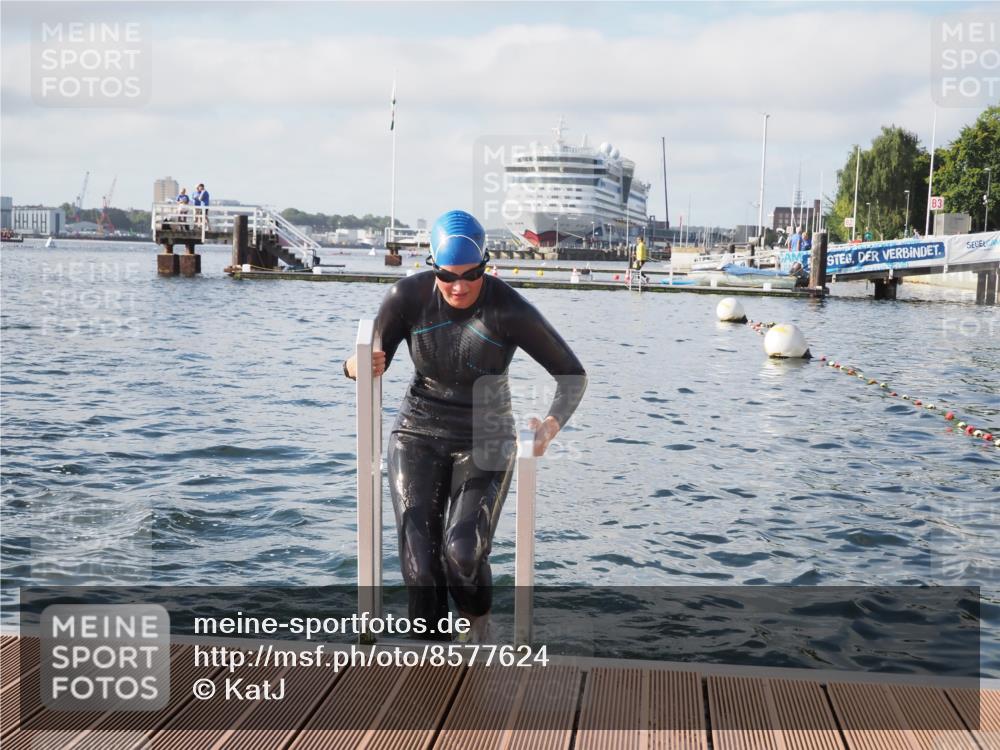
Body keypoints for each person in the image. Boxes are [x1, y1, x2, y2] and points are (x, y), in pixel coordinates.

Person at [343, 209, 587, 641]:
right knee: (419, 561)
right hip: (417, 433)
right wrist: (353, 365)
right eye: (447, 275)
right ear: (431, 266)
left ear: (487, 266)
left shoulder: (509, 309)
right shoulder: (406, 297)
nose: (459, 286)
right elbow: (364, 361)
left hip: (487, 436)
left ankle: (478, 625)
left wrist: (550, 426)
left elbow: (572, 373)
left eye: (472, 274)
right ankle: (431, 671)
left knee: (462, 553)